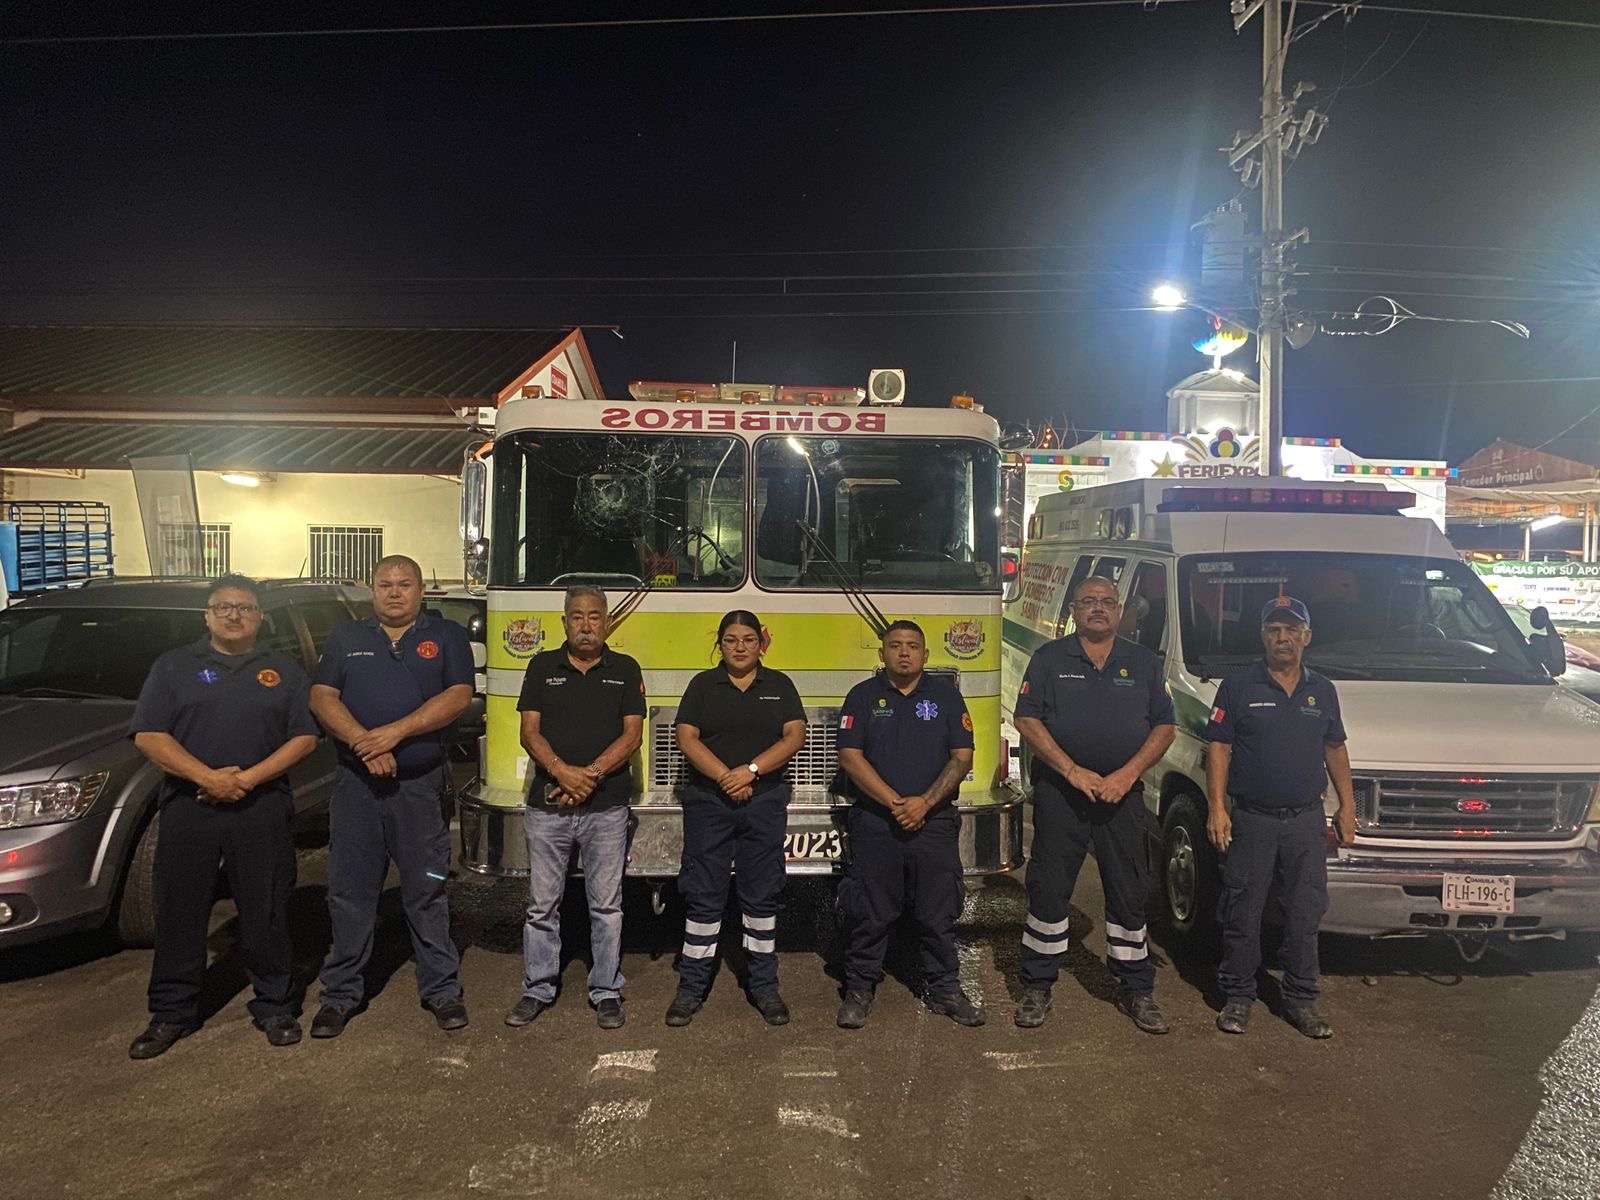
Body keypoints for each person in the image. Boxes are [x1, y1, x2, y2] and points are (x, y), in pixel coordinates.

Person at [127, 575, 319, 1059]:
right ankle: (172, 1012)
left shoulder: (283, 670)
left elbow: (304, 738)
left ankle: (275, 1005)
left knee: (266, 908)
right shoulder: (173, 666)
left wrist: (246, 780)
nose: (234, 615)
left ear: (260, 618)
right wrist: (208, 778)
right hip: (190, 805)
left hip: (261, 806)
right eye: (224, 607)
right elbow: (149, 734)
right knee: (180, 910)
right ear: (207, 616)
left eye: (245, 608)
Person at [308, 554, 474, 1036]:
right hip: (356, 787)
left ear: (421, 590)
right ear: (372, 590)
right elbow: (322, 697)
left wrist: (394, 734)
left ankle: (441, 989)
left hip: (418, 789)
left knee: (427, 889)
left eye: (404, 584)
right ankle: (341, 994)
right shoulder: (346, 637)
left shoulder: (446, 636)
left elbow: (457, 696)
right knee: (350, 892)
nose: (395, 592)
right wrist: (365, 743)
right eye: (385, 584)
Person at [1012, 576, 1177, 1034]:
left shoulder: (1143, 662)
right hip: (1062, 795)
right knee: (1048, 889)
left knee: (1129, 891)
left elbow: (1165, 727)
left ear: (1120, 611)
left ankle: (1136, 988)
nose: (1098, 608)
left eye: (1107, 602)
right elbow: (1026, 718)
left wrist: (1127, 775)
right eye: (1088, 601)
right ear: (1073, 610)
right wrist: (1072, 771)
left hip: (1122, 797)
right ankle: (1037, 985)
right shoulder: (1049, 659)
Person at [1206, 595, 1355, 1039]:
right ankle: (1238, 996)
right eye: (1274, 630)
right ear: (1263, 636)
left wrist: (1347, 806)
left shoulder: (1322, 690)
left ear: (1306, 637)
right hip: (1253, 819)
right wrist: (1217, 807)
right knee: (1242, 910)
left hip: (1306, 822)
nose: (1282, 638)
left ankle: (1301, 999)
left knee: (1306, 912)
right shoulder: (1237, 687)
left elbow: (1334, 747)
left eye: (1291, 630)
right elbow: (1219, 748)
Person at [834, 621, 984, 1029]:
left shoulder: (946, 697)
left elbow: (962, 757)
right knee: (871, 912)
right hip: (876, 822)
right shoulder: (862, 696)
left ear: (925, 655)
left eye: (913, 646)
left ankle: (946, 990)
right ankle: (859, 990)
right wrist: (895, 803)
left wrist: (925, 803)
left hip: (933, 822)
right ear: (882, 653)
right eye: (895, 645)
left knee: (938, 913)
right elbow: (850, 757)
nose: (904, 653)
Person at [509, 586, 644, 1030]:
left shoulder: (625, 669)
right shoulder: (541, 666)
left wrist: (588, 776)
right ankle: (537, 988)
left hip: (606, 808)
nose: (586, 625)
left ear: (607, 622)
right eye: (577, 616)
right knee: (541, 906)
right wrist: (561, 772)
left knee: (606, 906)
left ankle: (606, 990)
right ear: (564, 621)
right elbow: (529, 732)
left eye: (595, 616)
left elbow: (632, 735)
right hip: (548, 807)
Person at [668, 610, 807, 1027]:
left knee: (761, 897)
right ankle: (691, 988)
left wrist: (751, 771)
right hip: (709, 802)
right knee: (703, 895)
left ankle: (764, 987)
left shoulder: (779, 685)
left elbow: (795, 736)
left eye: (748, 639)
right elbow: (686, 737)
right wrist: (726, 778)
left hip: (763, 801)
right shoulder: (702, 685)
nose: (740, 647)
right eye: (731, 640)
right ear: (720, 644)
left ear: (761, 643)